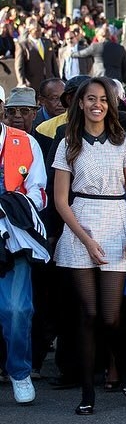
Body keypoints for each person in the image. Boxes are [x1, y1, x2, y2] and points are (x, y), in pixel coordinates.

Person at [52, 77, 126, 415]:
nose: (97, 104)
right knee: (88, 314)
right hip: (81, 225)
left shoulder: (124, 141)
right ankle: (88, 392)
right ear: (79, 103)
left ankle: (123, 366)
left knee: (110, 316)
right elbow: (61, 201)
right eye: (90, 98)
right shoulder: (68, 142)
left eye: (103, 99)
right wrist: (87, 240)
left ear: (111, 103)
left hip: (117, 221)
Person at [0, 86, 49, 406]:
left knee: (16, 309)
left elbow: (39, 194)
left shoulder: (25, 142)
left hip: (13, 238)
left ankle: (19, 372)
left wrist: (7, 207)